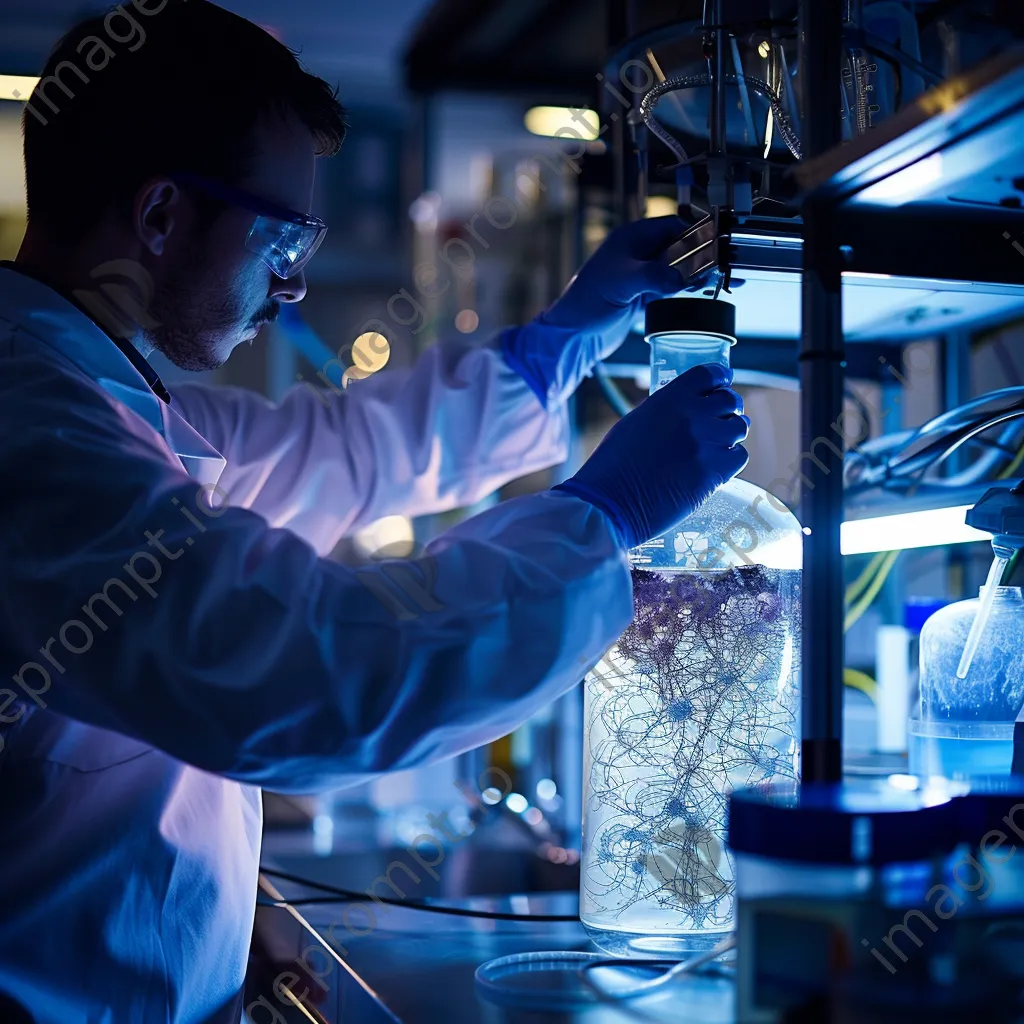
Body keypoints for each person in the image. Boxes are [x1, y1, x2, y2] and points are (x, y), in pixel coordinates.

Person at [0, 2, 749, 1021]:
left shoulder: (109, 402)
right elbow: (310, 677)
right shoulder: (38, 437)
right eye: (281, 234)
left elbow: (340, 456)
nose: (296, 281)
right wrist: (599, 517)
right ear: (162, 216)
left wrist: (561, 341)